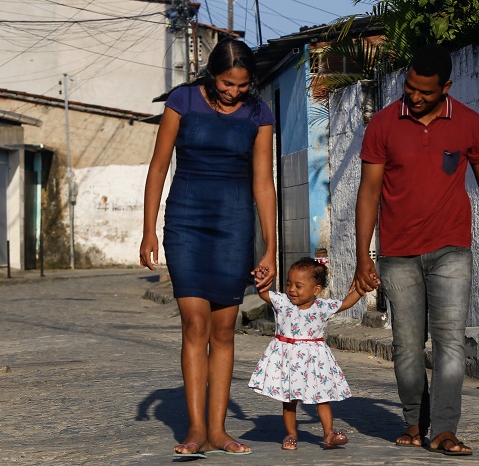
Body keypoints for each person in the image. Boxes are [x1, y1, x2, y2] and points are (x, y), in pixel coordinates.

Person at [353, 44, 479, 456]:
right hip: (398, 255)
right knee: (407, 345)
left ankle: (445, 428)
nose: (413, 97)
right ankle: (414, 421)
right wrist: (364, 255)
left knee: (449, 341)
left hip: (452, 249)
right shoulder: (382, 124)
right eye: (409, 87)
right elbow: (369, 192)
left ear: (446, 87)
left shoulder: (467, 122)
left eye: (424, 92)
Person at [139, 37, 276, 458]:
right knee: (194, 323)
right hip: (186, 223)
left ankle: (219, 429)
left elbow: (262, 181)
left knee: (223, 330)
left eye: (241, 85)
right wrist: (149, 230)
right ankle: (196, 427)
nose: (234, 91)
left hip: (234, 226)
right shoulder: (183, 102)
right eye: (226, 83)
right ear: (211, 74)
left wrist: (270, 247)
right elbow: (159, 166)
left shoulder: (259, 113)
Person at [248, 257, 364, 451]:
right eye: (289, 284)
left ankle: (328, 434)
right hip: (288, 359)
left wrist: (361, 290)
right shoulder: (282, 302)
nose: (292, 289)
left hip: (315, 361)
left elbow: (345, 303)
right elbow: (264, 294)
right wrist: (260, 279)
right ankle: (291, 434)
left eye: (298, 286)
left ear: (316, 290)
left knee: (322, 397)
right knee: (289, 400)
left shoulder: (322, 307)